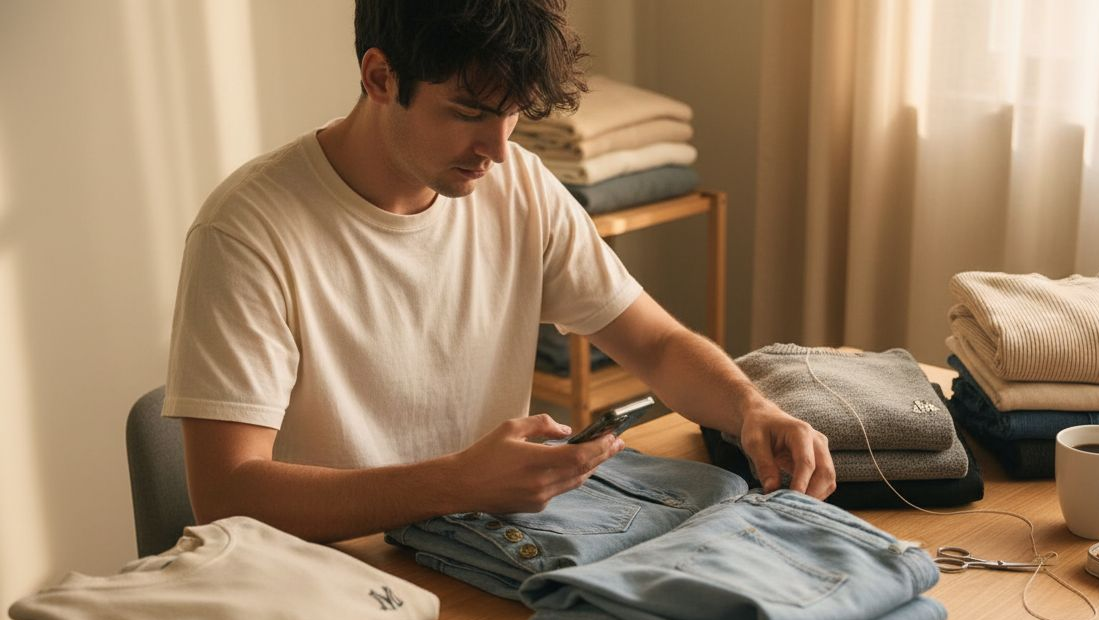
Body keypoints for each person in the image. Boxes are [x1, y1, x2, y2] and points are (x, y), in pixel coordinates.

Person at [164, 0, 834, 544]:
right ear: (379, 77)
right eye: (467, 113)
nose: (497, 150)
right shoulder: (247, 233)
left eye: (512, 113)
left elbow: (655, 345)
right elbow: (229, 497)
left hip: (485, 557)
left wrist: (751, 407)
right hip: (332, 588)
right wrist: (459, 483)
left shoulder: (521, 190)